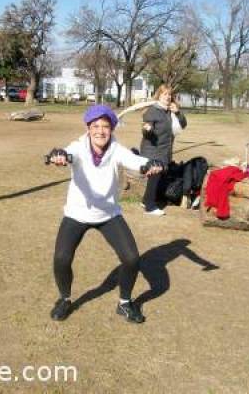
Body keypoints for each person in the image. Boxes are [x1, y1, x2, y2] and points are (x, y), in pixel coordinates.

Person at [47, 105, 163, 323]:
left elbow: (133, 160)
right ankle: (64, 299)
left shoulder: (116, 149)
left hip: (108, 214)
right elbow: (67, 153)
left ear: (112, 128)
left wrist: (148, 163)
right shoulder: (79, 147)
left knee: (131, 258)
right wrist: (59, 155)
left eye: (105, 126)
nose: (100, 131)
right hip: (77, 213)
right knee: (61, 259)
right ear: (88, 128)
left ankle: (125, 304)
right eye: (95, 126)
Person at [140, 85, 187, 215]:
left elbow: (183, 125)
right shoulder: (152, 111)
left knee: (158, 176)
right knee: (155, 175)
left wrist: (177, 112)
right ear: (159, 95)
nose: (168, 97)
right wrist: (147, 129)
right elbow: (146, 132)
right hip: (152, 149)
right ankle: (149, 207)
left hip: (165, 149)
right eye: (165, 94)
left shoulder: (170, 111)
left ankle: (145, 200)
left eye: (169, 94)